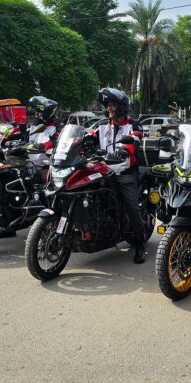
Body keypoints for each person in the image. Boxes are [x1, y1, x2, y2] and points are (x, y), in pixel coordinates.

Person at [85, 88, 147, 264]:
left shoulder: (133, 125)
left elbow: (135, 140)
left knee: (132, 208)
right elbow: (89, 137)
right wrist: (78, 143)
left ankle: (140, 244)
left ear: (122, 107)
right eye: (108, 105)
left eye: (113, 105)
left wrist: (124, 151)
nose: (109, 108)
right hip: (103, 172)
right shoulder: (102, 125)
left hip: (124, 174)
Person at [27, 96, 60, 176]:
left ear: (47, 112)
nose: (36, 114)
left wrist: (44, 146)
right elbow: (26, 138)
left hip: (47, 167)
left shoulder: (56, 127)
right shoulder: (34, 125)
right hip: (31, 165)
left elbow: (56, 141)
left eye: (39, 111)